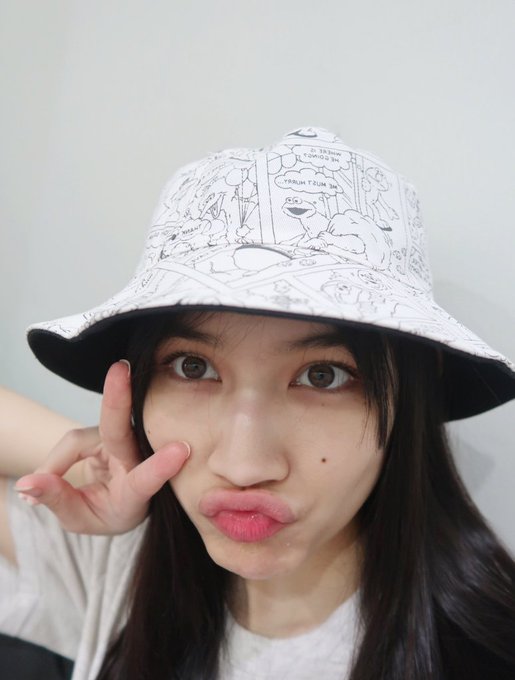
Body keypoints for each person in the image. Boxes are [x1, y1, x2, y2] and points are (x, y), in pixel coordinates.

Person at [1, 127, 514, 680]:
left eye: (322, 375)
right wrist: (99, 465)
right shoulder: (120, 563)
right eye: (192, 367)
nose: (243, 467)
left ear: (411, 394)